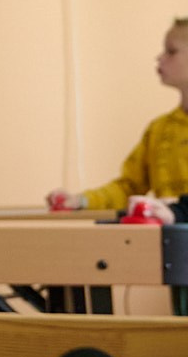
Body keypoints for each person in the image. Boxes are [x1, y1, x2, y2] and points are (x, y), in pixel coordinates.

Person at [48, 18, 187, 225]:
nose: (160, 58)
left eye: (171, 51)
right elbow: (128, 187)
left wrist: (177, 210)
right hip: (167, 239)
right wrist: (81, 201)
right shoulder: (159, 129)